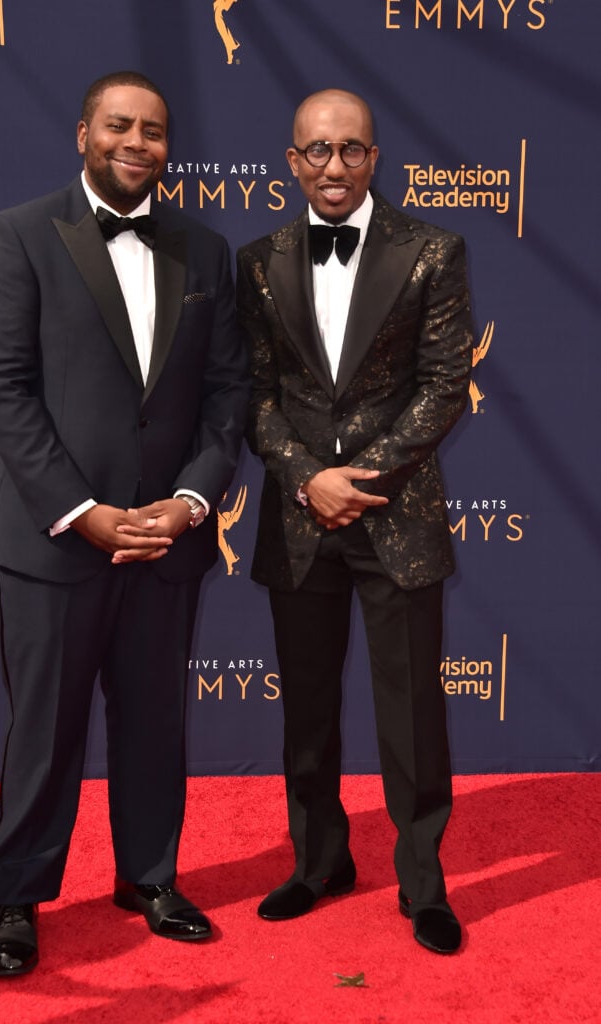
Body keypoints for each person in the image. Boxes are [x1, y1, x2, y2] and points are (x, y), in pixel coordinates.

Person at [0, 70, 248, 976]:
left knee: (154, 721)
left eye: (155, 130)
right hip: (56, 540)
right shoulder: (18, 234)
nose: (137, 142)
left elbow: (225, 395)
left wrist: (189, 501)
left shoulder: (207, 252)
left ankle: (150, 877)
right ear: (84, 132)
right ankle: (16, 898)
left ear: (170, 146)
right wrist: (82, 512)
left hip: (165, 540)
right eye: (119, 125)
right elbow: (1, 389)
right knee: (42, 730)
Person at [236, 88, 473, 955]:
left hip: (395, 515)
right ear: (291, 161)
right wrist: (307, 479)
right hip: (300, 520)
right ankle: (317, 862)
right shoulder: (257, 260)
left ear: (374, 157)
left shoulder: (432, 251)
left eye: (349, 150)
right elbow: (254, 394)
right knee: (305, 707)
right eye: (315, 151)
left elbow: (445, 384)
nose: (332, 166)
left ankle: (422, 881)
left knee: (411, 711)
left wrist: (356, 479)